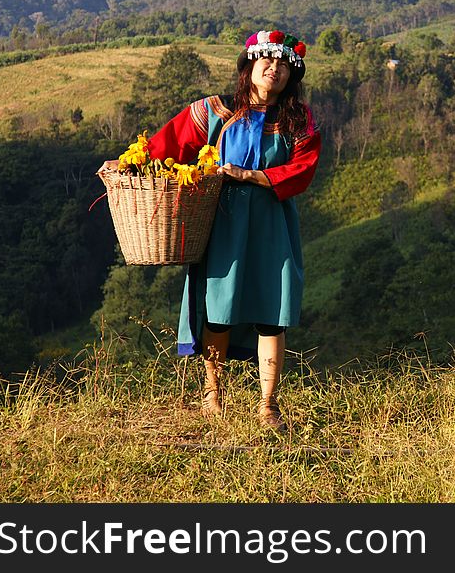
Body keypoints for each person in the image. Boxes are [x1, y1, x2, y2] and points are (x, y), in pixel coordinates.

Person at [99, 29, 321, 431]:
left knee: (273, 314)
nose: (275, 70)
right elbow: (164, 145)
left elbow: (302, 170)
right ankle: (212, 393)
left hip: (273, 224)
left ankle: (268, 404)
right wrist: (126, 164)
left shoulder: (298, 122)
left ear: (292, 77)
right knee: (218, 311)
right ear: (249, 66)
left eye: (284, 66)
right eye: (267, 61)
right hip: (223, 223)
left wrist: (251, 175)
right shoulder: (213, 112)